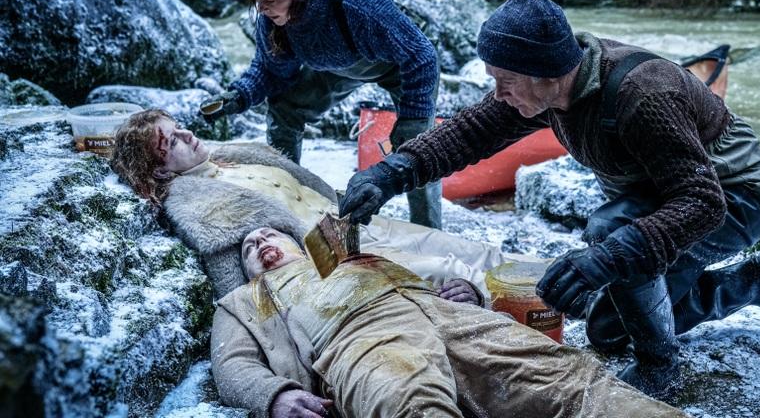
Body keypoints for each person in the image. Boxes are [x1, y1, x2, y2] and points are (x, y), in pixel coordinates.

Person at [338, 0, 760, 397]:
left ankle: (662, 368)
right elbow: (471, 132)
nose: (498, 94)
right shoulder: (550, 88)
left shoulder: (643, 94)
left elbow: (702, 203)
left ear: (544, 73)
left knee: (610, 233)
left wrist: (610, 256)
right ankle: (752, 283)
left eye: (505, 81)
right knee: (608, 330)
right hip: (664, 198)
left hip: (736, 196)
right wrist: (394, 171)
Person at [213, 225, 690, 418]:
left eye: (269, 234)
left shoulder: (352, 256)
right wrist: (274, 396)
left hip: (450, 315)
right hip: (359, 338)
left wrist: (474, 292)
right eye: (250, 248)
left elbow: (446, 268)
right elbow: (232, 365)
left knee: (568, 377)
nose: (260, 243)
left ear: (299, 243)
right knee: (409, 402)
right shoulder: (245, 298)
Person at [107, 109, 514, 300]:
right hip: (331, 254)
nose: (188, 133)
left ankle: (548, 298)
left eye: (179, 127)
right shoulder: (192, 203)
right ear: (159, 172)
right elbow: (229, 274)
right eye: (172, 141)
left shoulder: (232, 153)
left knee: (480, 253)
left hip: (353, 220)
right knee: (450, 271)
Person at [198, 0, 442, 229]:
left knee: (417, 146)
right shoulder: (272, 20)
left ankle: (429, 231)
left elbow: (423, 56)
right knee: (284, 108)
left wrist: (413, 116)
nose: (261, 8)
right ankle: (287, 197)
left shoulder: (358, 4)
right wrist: (238, 97)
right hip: (334, 67)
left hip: (396, 66)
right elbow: (272, 72)